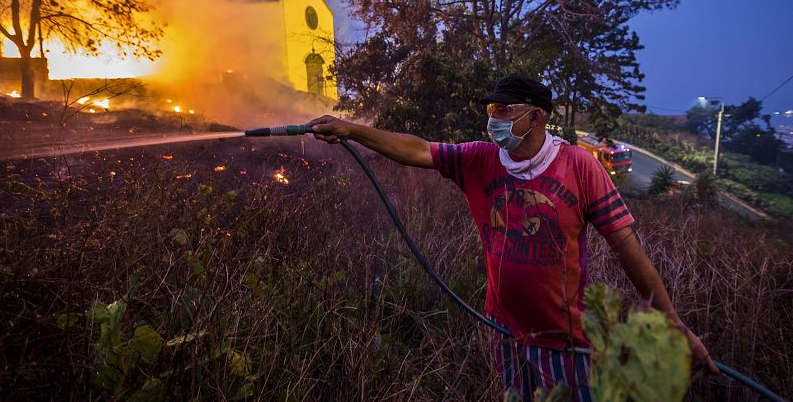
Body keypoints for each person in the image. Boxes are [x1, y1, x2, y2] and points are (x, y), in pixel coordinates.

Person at [306, 74, 717, 400]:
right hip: (503, 333)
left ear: (535, 117)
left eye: (504, 110)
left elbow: (627, 248)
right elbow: (418, 150)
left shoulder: (580, 167)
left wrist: (674, 323)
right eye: (491, 110)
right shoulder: (480, 159)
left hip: (565, 343)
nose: (494, 119)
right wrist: (351, 130)